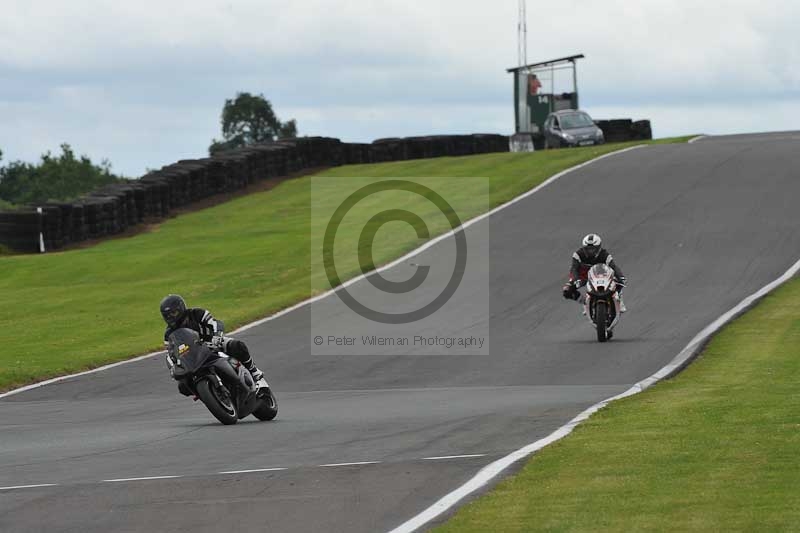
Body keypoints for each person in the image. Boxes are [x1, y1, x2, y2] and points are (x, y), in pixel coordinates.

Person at [160, 294, 265, 395]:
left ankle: (253, 371)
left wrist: (217, 336)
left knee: (237, 345)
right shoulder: (168, 334)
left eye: (173, 313)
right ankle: (203, 394)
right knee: (182, 386)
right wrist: (173, 368)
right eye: (167, 316)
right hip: (191, 357)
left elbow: (215, 323)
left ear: (181, 308)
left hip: (212, 342)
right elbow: (170, 353)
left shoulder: (196, 313)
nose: (170, 317)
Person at [562, 234, 627, 312]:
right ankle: (586, 303)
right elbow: (574, 268)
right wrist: (574, 280)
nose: (590, 251)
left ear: (599, 248)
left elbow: (613, 266)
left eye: (593, 249)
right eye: (588, 249)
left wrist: (621, 277)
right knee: (567, 291)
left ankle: (620, 301)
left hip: (601, 275)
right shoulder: (578, 255)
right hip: (584, 277)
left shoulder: (604, 254)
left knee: (618, 283)